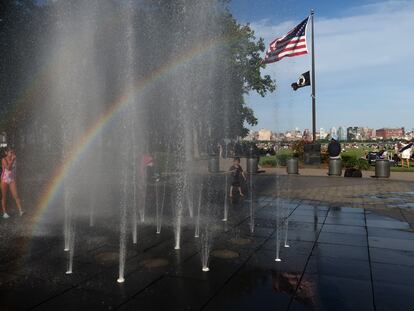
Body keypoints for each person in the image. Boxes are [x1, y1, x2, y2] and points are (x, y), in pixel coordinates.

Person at [1, 147, 24, 218]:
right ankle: (5, 213)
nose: (12, 154)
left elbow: (15, 170)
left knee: (16, 195)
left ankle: (21, 210)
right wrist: (13, 160)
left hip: (12, 180)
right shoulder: (3, 159)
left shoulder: (14, 159)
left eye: (13, 152)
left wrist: (16, 178)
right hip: (4, 179)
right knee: (4, 196)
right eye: (10, 152)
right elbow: (8, 168)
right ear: (6, 153)